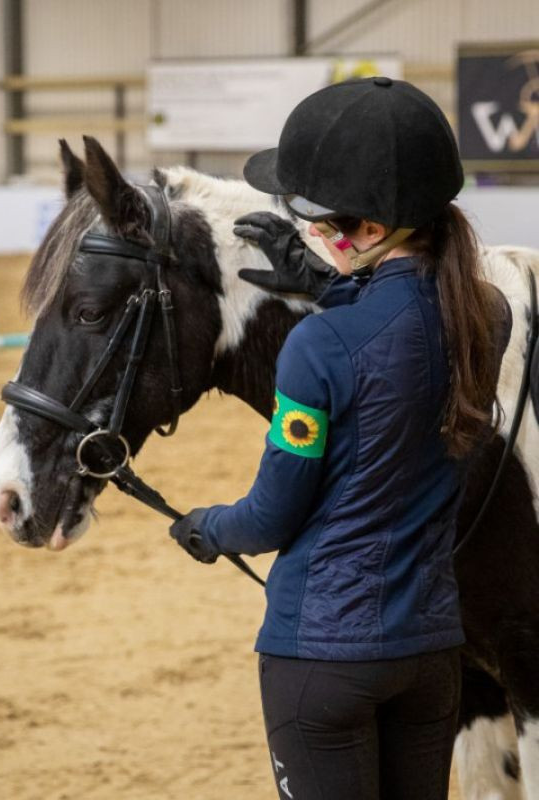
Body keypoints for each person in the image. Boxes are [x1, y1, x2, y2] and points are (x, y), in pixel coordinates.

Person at [169, 77, 512, 800]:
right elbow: (412, 330)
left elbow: (272, 515)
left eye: (316, 219)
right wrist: (337, 288)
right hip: (430, 658)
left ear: (367, 230)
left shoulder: (317, 348)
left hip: (322, 659)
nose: (309, 232)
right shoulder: (487, 319)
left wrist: (206, 528)